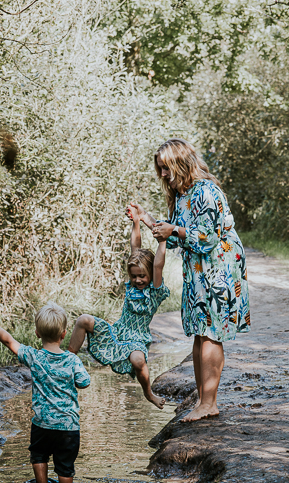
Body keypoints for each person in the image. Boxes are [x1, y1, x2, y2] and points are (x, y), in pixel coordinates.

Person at [129, 138, 249, 423]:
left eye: (165, 168)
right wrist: (147, 220)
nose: (162, 174)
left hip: (218, 267)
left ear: (180, 163)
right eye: (159, 169)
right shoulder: (182, 195)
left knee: (210, 333)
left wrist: (177, 231)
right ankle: (204, 400)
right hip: (197, 270)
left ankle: (209, 403)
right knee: (200, 331)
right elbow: (173, 239)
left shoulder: (206, 191)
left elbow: (207, 239)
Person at [67, 209, 169, 409]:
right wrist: (136, 221)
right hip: (117, 332)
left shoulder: (154, 290)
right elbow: (135, 247)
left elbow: (158, 265)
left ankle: (149, 394)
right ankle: (66, 364)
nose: (138, 280)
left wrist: (163, 241)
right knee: (83, 320)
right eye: (134, 276)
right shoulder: (131, 285)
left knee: (139, 360)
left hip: (137, 339)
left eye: (142, 276)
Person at [0, 302, 91, 483]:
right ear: (64, 334)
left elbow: (9, 341)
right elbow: (84, 383)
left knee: (39, 456)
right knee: (65, 466)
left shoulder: (34, 357)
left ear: (37, 333)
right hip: (68, 427)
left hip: (42, 424)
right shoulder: (72, 360)